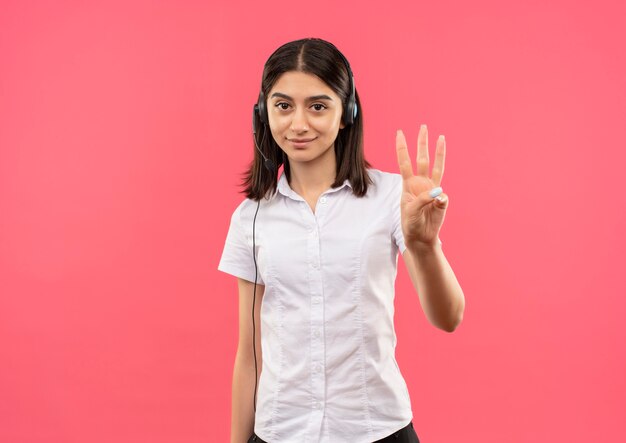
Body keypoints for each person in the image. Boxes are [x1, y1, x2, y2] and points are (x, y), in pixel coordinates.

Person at [218, 37, 465, 443]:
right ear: (264, 114)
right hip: (281, 432)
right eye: (283, 106)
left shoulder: (392, 198)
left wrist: (425, 246)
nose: (298, 124)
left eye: (318, 106)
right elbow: (249, 355)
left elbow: (449, 317)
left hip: (377, 429)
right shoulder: (251, 218)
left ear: (346, 112)